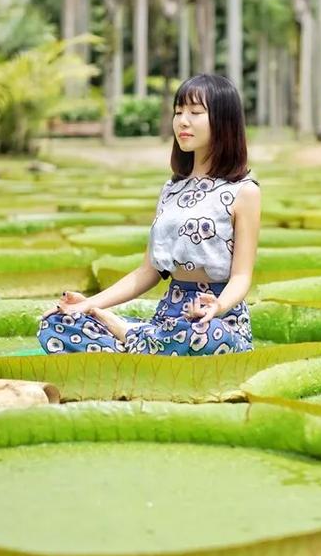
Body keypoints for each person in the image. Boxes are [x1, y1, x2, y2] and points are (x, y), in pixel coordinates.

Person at [37, 73, 261, 356]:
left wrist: (217, 306)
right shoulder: (171, 188)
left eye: (195, 112)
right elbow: (148, 271)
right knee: (58, 324)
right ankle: (136, 337)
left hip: (214, 323)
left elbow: (241, 276)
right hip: (166, 320)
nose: (183, 121)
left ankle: (126, 335)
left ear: (223, 121)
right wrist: (87, 305)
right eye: (178, 112)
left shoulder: (245, 191)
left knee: (199, 336)